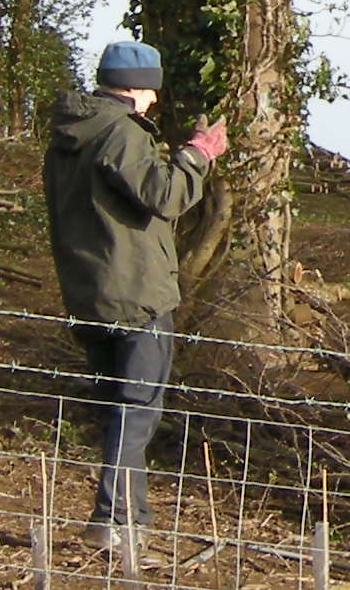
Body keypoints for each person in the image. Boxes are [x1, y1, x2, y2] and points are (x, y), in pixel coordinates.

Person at [44, 41, 227, 561]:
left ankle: (130, 519)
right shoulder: (120, 132)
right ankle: (115, 521)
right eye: (152, 90)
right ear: (138, 86)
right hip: (136, 295)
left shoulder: (70, 133)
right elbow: (165, 196)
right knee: (137, 411)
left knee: (116, 411)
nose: (153, 101)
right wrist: (197, 154)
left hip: (87, 289)